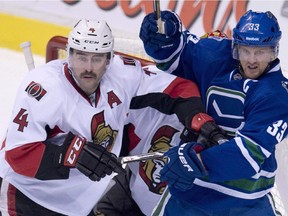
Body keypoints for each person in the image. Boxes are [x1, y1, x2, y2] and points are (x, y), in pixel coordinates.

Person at [0, 18, 225, 216]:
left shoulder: (122, 73)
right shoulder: (44, 87)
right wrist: (72, 154)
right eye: (81, 56)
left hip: (76, 205)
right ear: (69, 55)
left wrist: (197, 117)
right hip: (26, 198)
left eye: (97, 58)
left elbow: (175, 88)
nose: (88, 67)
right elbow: (17, 154)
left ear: (109, 58)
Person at [139, 9, 288, 216]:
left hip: (245, 203)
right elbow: (175, 55)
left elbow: (246, 157)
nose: (252, 60)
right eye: (245, 50)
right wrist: (164, 38)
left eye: (260, 52)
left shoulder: (278, 94)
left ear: (274, 50)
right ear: (235, 47)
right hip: (191, 193)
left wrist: (196, 161)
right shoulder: (215, 55)